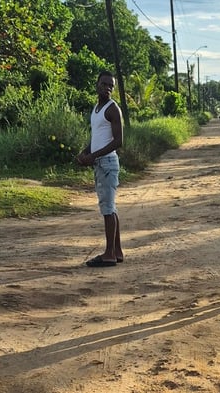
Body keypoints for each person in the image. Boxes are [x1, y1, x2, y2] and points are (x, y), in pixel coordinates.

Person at [76, 71, 124, 267]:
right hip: (100, 162)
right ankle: (117, 251)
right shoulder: (96, 109)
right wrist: (85, 152)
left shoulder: (113, 109)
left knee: (107, 209)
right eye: (104, 84)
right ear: (97, 85)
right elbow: (97, 138)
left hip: (107, 163)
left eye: (111, 86)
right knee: (110, 208)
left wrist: (93, 156)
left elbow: (118, 141)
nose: (108, 88)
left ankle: (109, 254)